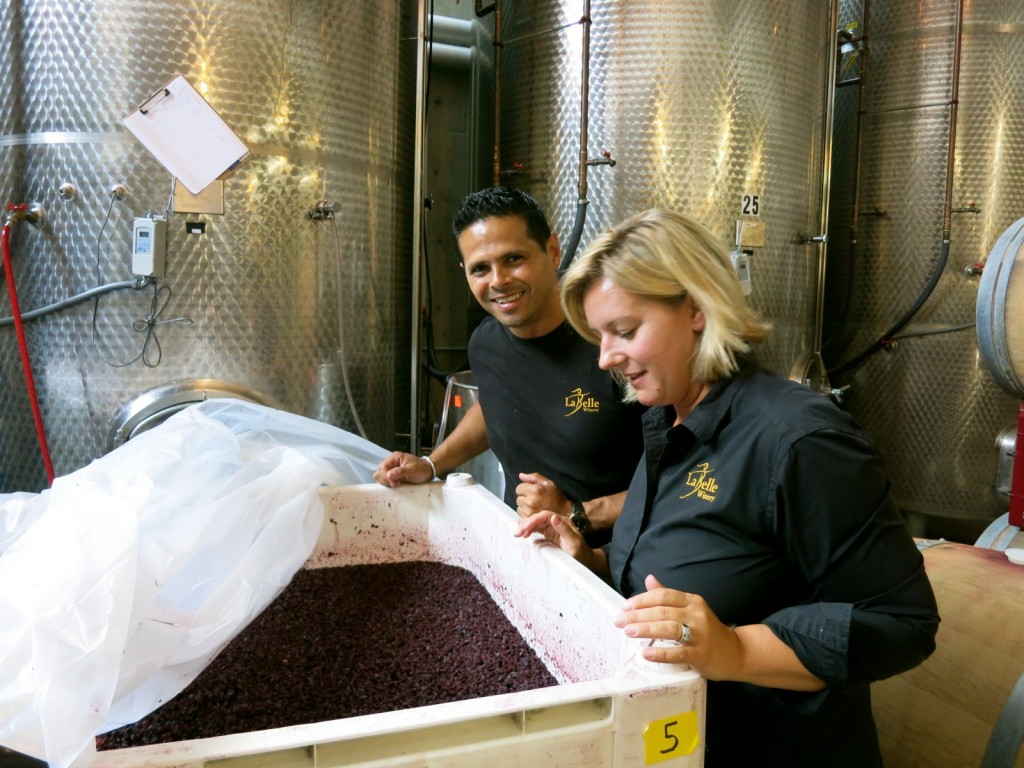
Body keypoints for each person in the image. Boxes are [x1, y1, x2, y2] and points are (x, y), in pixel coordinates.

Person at [546, 208, 939, 766]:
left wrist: (734, 648)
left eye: (625, 331)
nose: (606, 357)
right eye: (601, 336)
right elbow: (700, 562)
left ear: (697, 308)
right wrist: (590, 559)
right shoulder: (668, 417)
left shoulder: (798, 440)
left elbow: (904, 624)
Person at [374, 186, 644, 539]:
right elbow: (496, 405)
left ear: (551, 250)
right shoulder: (486, 343)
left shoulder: (611, 342)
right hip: (527, 550)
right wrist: (430, 464)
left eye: (513, 259)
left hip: (614, 568)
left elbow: (681, 478)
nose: (498, 281)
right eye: (480, 269)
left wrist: (576, 514)